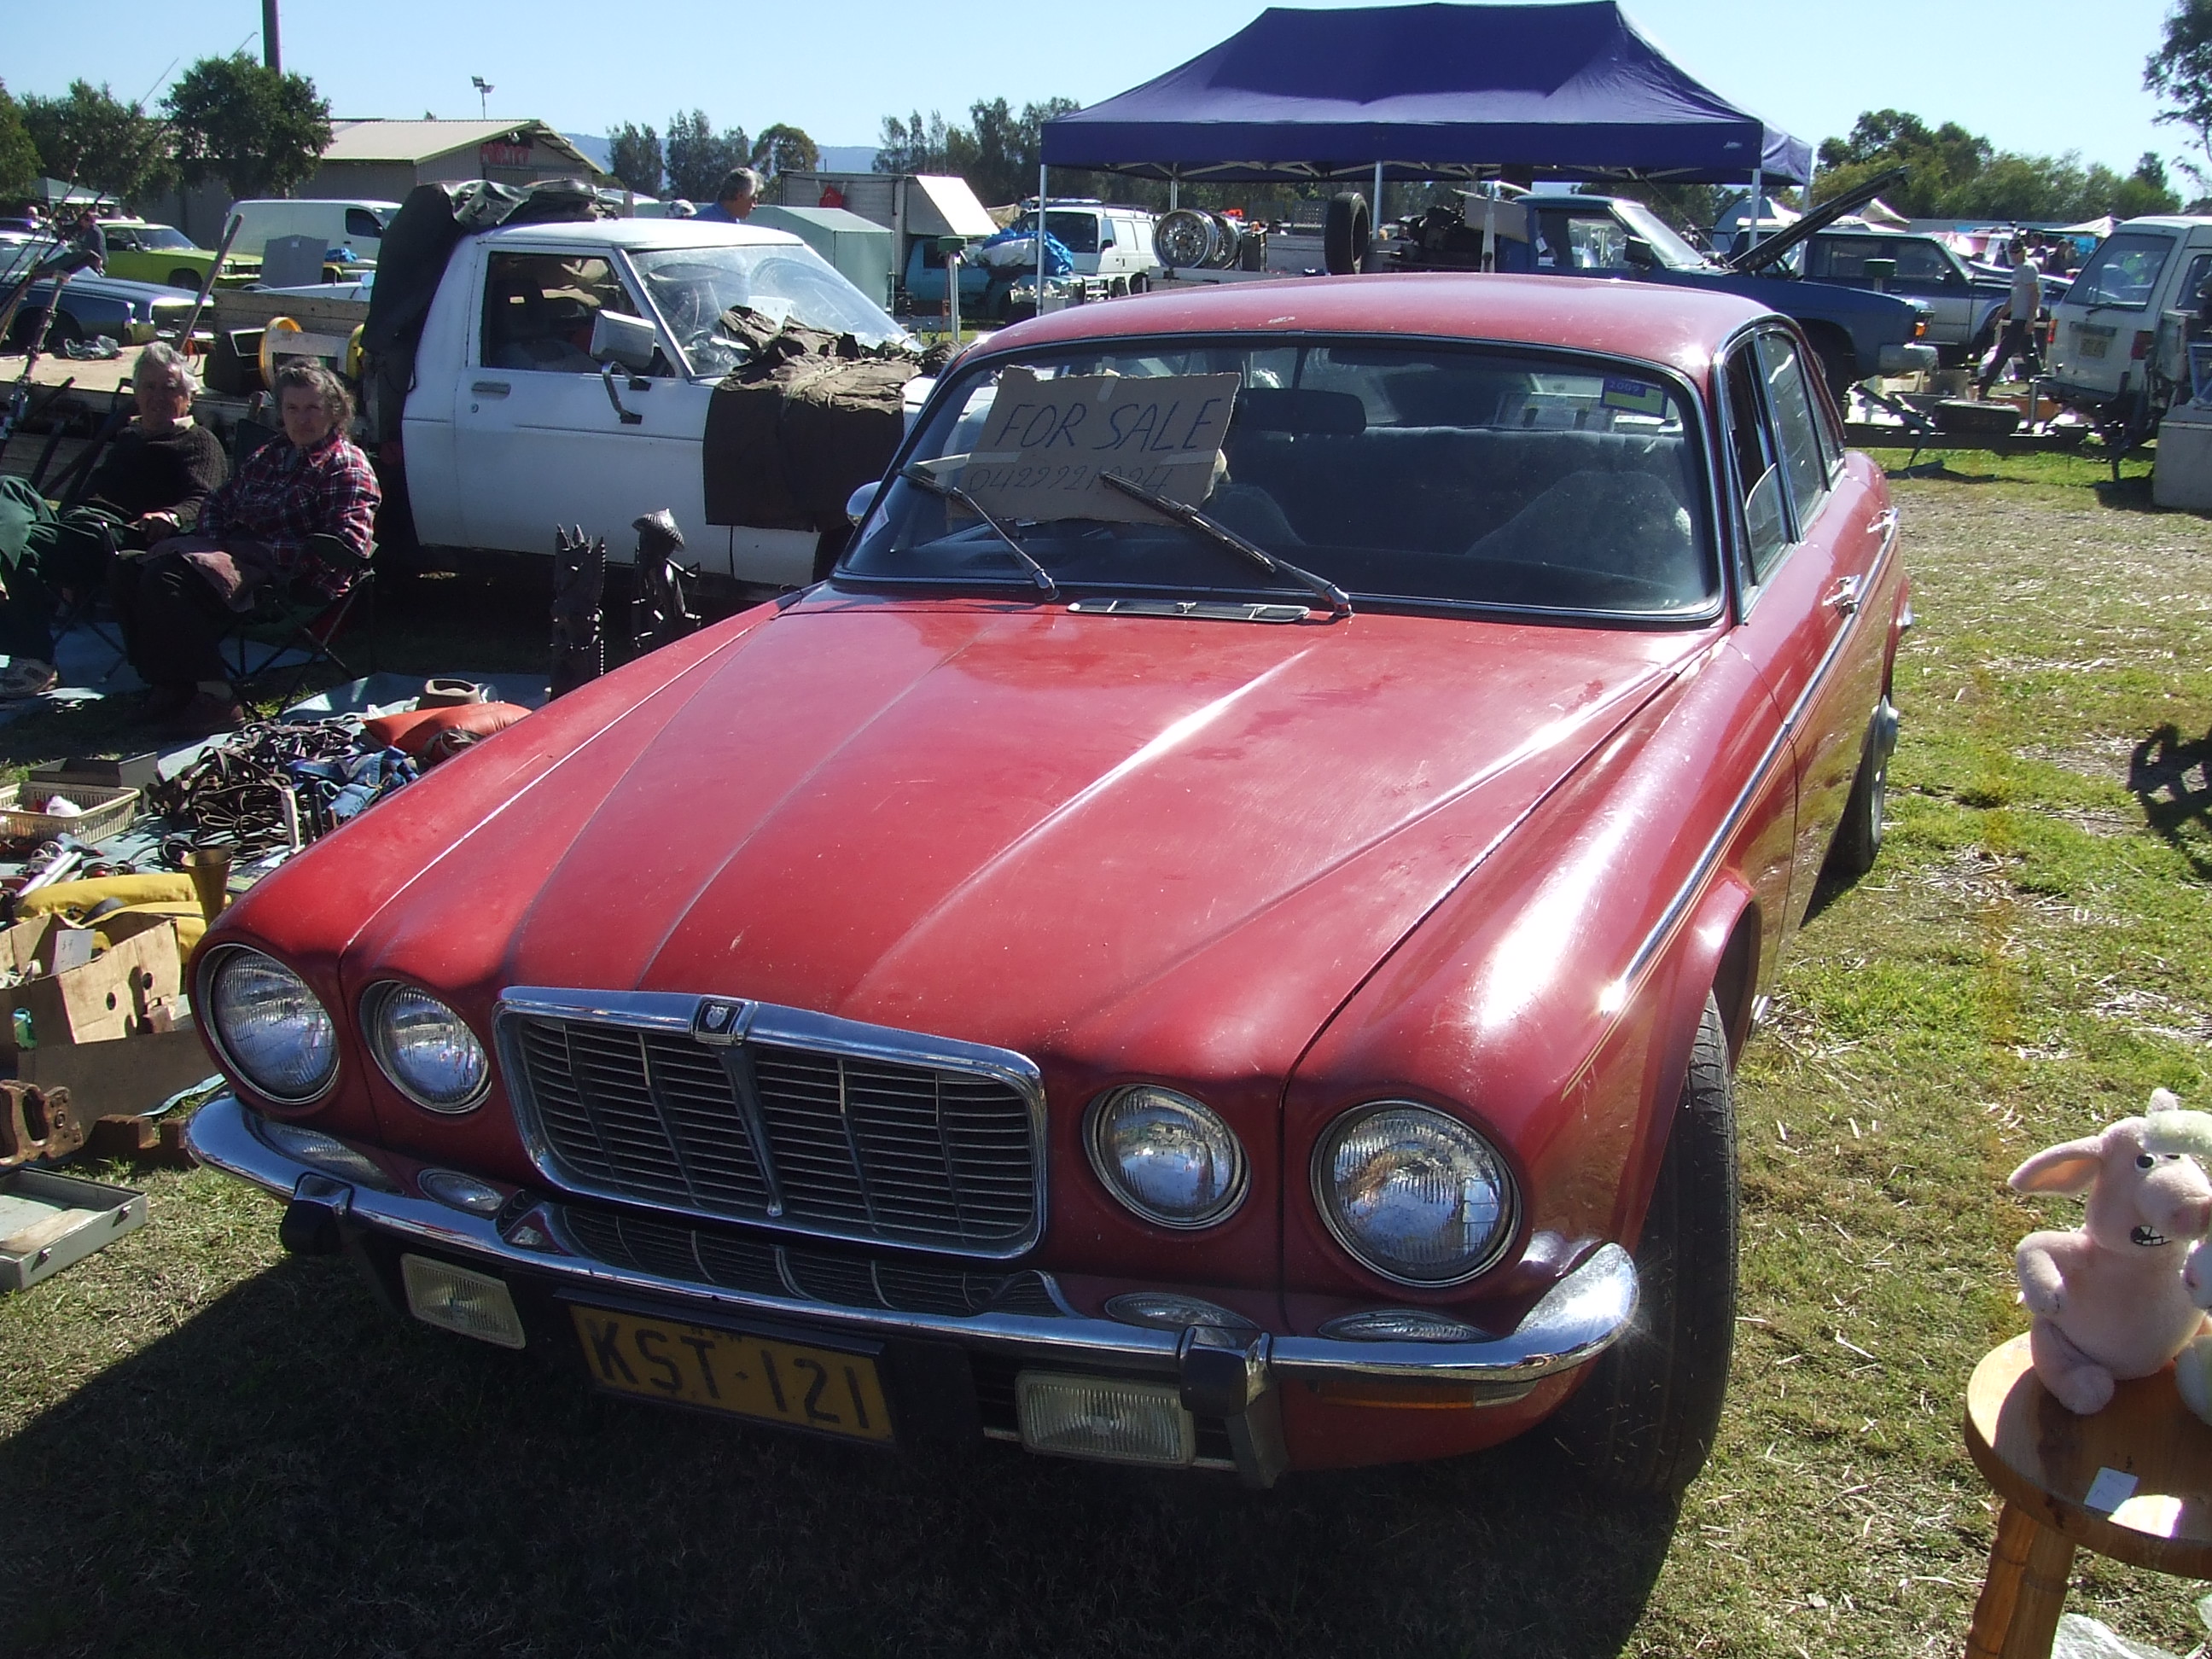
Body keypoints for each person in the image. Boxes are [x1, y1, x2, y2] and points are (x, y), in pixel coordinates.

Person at [116, 360, 380, 736]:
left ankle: (217, 698)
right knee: (128, 566)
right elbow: (220, 502)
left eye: (312, 409)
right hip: (235, 556)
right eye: (292, 409)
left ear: (334, 412)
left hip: (291, 577)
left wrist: (263, 551)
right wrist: (211, 542)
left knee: (168, 577)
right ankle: (170, 684)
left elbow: (347, 544)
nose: (301, 419)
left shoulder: (345, 465)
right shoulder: (273, 453)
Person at [0, 342, 228, 697]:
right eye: (148, 387)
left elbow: (206, 500)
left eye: (169, 387)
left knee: (23, 547)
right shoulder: (129, 438)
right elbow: (89, 495)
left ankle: (35, 660)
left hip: (116, 536)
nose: (157, 396)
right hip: (76, 525)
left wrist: (170, 515)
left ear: (188, 395)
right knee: (9, 487)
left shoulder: (198, 442)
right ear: (136, 393)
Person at [1979, 236, 2046, 398]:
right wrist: (1998, 316)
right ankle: (2039, 386)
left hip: (2023, 319)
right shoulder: (2017, 270)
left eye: (2017, 252)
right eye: (2012, 253)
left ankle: (1985, 386)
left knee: (2004, 352)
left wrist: (2031, 319)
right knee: (2029, 354)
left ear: (2023, 251)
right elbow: (2013, 298)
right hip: (2017, 316)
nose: (2014, 256)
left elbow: (2035, 293)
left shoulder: (2029, 268)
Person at [694, 167, 761, 224]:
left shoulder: (732, 221)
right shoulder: (705, 223)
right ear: (739, 195)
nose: (754, 206)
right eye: (753, 198)